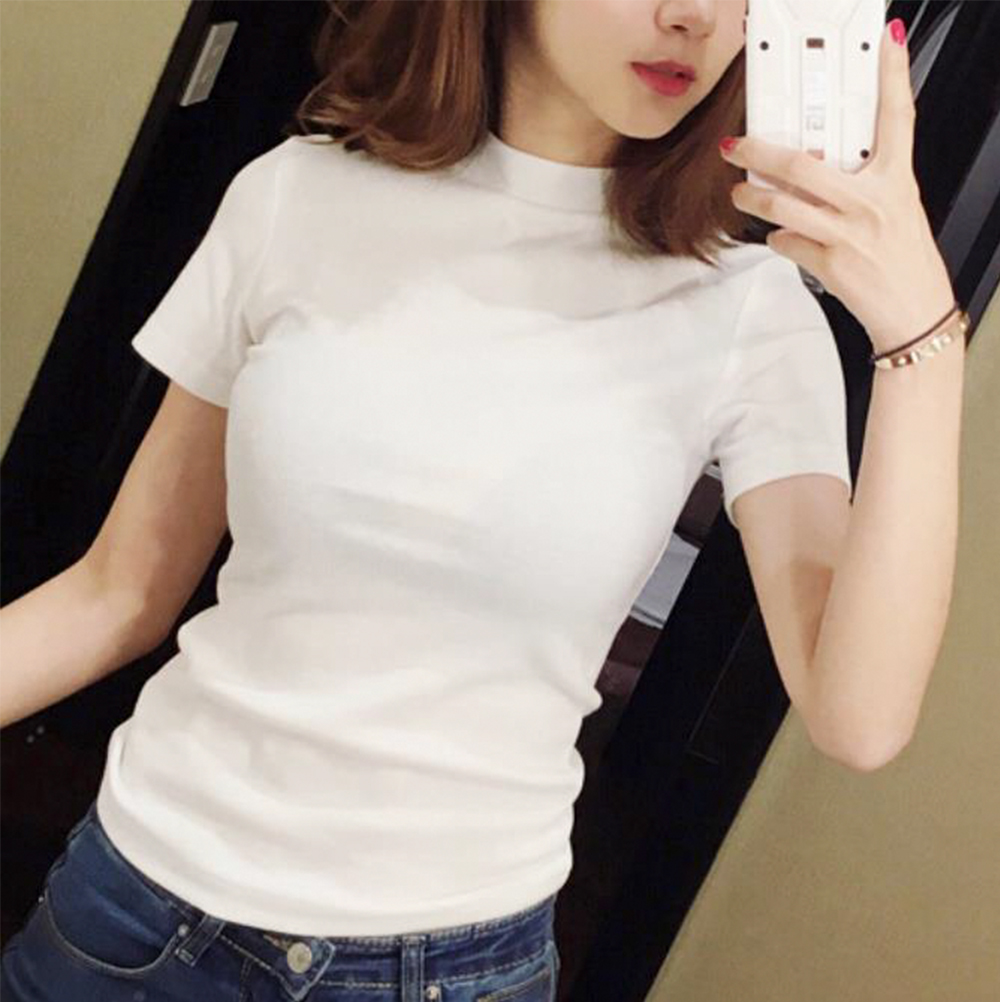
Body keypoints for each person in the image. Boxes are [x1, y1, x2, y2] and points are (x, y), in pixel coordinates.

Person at [1, 1, 855, 999]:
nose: (695, 16)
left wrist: (918, 334)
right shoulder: (293, 196)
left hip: (448, 966)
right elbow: (117, 591)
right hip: (133, 918)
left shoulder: (747, 308)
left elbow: (856, 718)